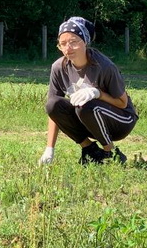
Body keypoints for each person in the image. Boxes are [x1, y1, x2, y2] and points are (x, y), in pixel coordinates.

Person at [38, 17, 138, 165]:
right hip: (88, 119)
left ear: (85, 41)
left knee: (85, 106)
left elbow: (122, 103)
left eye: (73, 42)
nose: (68, 48)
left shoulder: (105, 66)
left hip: (121, 120)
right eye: (63, 44)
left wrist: (98, 93)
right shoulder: (58, 68)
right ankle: (90, 150)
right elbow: (54, 112)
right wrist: (49, 148)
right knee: (53, 104)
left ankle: (111, 152)